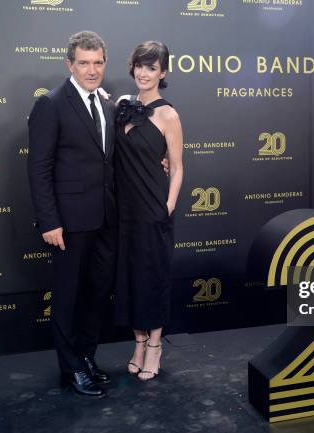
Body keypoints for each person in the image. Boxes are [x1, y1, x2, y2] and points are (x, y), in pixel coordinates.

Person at [27, 31, 116, 398]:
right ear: (69, 64)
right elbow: (38, 168)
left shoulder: (108, 104)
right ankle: (70, 369)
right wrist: (49, 221)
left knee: (97, 293)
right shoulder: (51, 104)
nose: (91, 70)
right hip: (67, 222)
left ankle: (87, 357)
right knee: (66, 298)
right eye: (84, 62)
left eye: (97, 62)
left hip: (106, 219)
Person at [114, 41, 183, 381]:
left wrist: (167, 206)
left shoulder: (168, 114)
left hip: (153, 208)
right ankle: (138, 343)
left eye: (151, 67)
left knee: (152, 277)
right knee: (129, 279)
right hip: (123, 210)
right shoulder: (122, 105)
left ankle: (155, 346)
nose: (144, 73)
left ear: (163, 73)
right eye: (140, 66)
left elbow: (179, 167)